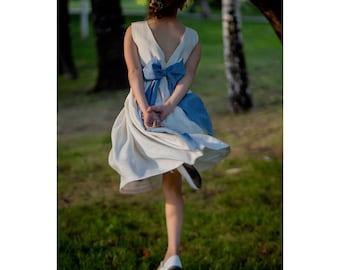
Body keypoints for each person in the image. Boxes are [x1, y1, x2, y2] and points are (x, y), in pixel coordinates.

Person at [108, 0, 230, 269]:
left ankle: (178, 156)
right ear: (182, 2)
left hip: (147, 105)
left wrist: (146, 109)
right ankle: (172, 252)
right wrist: (167, 107)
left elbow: (134, 72)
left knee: (136, 146)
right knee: (172, 186)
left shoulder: (134, 30)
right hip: (176, 108)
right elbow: (187, 78)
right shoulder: (193, 37)